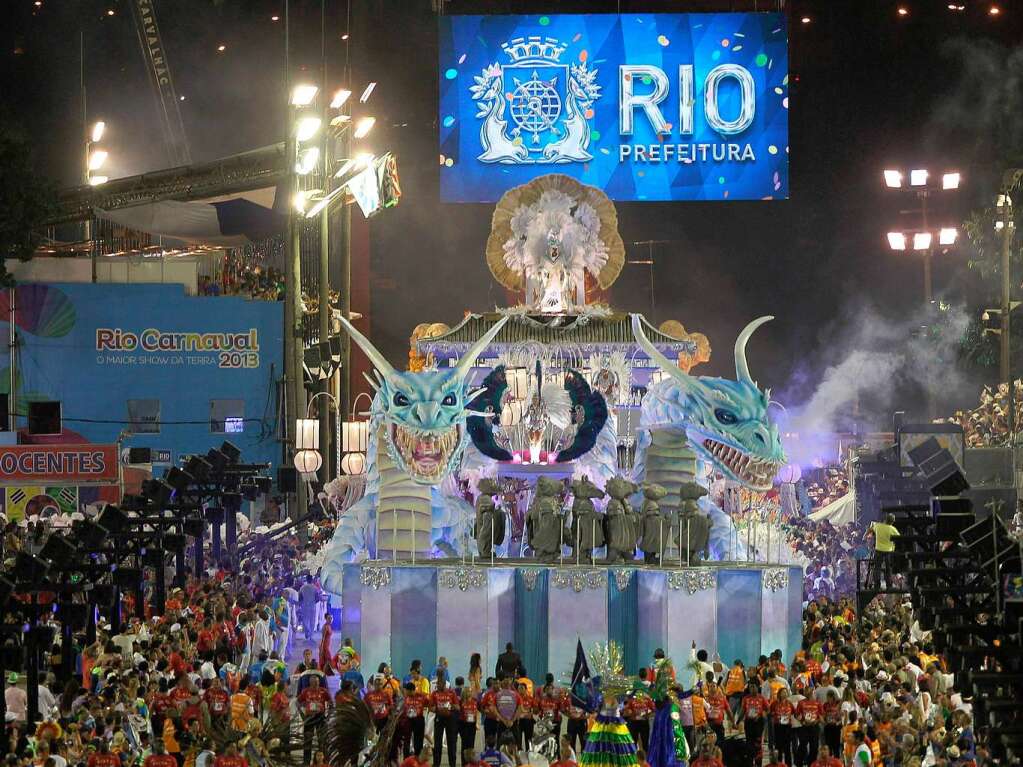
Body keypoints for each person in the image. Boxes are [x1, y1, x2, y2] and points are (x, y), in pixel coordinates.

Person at [298, 674, 332, 763]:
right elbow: (298, 702)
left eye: (317, 683)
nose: (316, 685)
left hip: (320, 717)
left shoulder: (323, 691)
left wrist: (329, 715)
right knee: (307, 740)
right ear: (310, 683)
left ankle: (324, 762)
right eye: (314, 683)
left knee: (322, 740)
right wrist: (302, 714)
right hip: (309, 718)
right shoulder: (305, 691)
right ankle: (306, 762)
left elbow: (331, 702)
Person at [431, 676, 461, 767]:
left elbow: (458, 707)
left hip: (450, 719)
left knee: (451, 742)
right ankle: (436, 764)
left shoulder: (451, 693)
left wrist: (451, 706)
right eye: (436, 684)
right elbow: (431, 707)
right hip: (439, 718)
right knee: (437, 743)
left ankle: (452, 764)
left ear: (444, 684)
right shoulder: (434, 694)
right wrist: (438, 709)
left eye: (438, 684)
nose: (436, 686)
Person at [866, 514, 900, 588]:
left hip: (878, 550)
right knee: (888, 568)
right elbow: (899, 538)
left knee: (877, 568)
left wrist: (866, 535)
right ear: (892, 521)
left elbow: (870, 529)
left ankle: (877, 584)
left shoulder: (878, 526)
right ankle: (889, 585)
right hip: (888, 551)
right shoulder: (892, 529)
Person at [299, 574, 321, 644]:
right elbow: (317, 598)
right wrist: (314, 601)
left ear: (307, 579)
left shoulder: (302, 587)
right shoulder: (315, 588)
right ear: (311, 580)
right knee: (312, 621)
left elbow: (300, 597)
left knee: (305, 620)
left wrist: (303, 602)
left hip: (304, 606)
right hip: (312, 606)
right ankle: (311, 635)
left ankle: (307, 631)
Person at [318, 613, 335, 677]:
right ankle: (324, 673)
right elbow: (323, 638)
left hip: (327, 646)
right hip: (324, 646)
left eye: (331, 618)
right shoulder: (325, 627)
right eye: (329, 618)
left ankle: (325, 673)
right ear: (326, 619)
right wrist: (322, 648)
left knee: (327, 661)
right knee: (328, 660)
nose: (330, 620)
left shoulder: (329, 626)